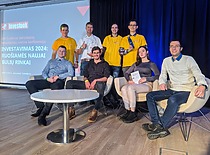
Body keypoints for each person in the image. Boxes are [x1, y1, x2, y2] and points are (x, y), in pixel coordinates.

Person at [142, 40, 208, 140]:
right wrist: (162, 82)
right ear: (169, 48)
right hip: (172, 89)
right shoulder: (166, 61)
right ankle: (156, 124)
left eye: (176, 46)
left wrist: (202, 85)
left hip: (186, 91)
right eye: (171, 46)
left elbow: (198, 73)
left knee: (172, 99)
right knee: (150, 96)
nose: (174, 48)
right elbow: (163, 75)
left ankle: (160, 126)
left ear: (181, 48)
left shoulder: (189, 59)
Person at [26, 45, 74, 126]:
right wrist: (47, 78)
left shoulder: (67, 63)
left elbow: (71, 73)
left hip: (58, 82)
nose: (61, 52)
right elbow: (44, 72)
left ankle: (43, 115)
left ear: (65, 53)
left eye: (63, 51)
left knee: (54, 89)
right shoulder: (51, 61)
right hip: (49, 80)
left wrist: (58, 77)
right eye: (60, 51)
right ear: (57, 52)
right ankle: (40, 107)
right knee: (29, 83)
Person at [66, 46, 110, 123]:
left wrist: (95, 81)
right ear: (92, 54)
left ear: (100, 53)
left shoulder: (105, 64)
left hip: (98, 84)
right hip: (88, 84)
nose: (96, 54)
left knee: (101, 85)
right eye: (94, 53)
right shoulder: (89, 63)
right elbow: (85, 75)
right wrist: (86, 81)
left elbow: (106, 78)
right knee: (69, 83)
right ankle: (71, 109)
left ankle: (95, 111)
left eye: (97, 53)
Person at [120, 45, 160, 123]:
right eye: (139, 52)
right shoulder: (136, 64)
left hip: (146, 84)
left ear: (147, 52)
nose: (141, 53)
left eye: (143, 51)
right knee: (124, 88)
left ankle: (133, 112)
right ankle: (128, 110)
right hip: (136, 83)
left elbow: (157, 75)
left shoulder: (151, 64)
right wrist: (129, 80)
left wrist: (146, 79)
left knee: (130, 88)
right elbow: (127, 73)